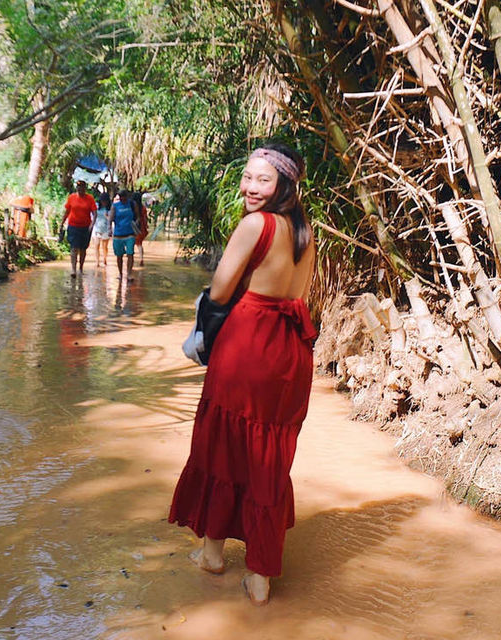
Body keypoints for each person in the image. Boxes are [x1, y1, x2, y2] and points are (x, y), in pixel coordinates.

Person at [168, 142, 317, 606]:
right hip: (291, 352)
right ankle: (259, 578)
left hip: (250, 341)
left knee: (222, 442)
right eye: (248, 177)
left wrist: (204, 334)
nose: (251, 188)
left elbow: (220, 289)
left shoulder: (256, 225)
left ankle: (213, 556)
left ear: (283, 185)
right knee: (268, 456)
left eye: (262, 180)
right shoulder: (306, 230)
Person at [60, 180, 97, 277]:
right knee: (74, 248)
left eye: (82, 187)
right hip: (73, 226)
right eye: (78, 187)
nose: (80, 189)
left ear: (85, 188)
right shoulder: (72, 197)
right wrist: (62, 222)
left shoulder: (90, 199)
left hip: (85, 227)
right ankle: (73, 269)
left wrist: (92, 224)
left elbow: (94, 213)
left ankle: (80, 267)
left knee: (83, 249)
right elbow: (67, 211)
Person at [108, 189, 139, 281]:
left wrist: (136, 223)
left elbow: (138, 216)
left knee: (130, 254)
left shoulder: (132, 204)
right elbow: (111, 218)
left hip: (130, 234)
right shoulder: (115, 206)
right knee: (119, 255)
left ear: (127, 197)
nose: (122, 199)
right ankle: (120, 273)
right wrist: (109, 229)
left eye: (124, 198)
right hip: (118, 234)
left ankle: (129, 273)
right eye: (121, 198)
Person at [92, 192, 112, 267]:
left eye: (105, 201)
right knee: (96, 245)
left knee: (105, 247)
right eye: (103, 201)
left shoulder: (110, 208)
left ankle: (104, 259)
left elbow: (111, 219)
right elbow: (92, 215)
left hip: (106, 229)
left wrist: (107, 217)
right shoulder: (96, 206)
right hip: (97, 228)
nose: (104, 202)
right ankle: (97, 261)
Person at [133, 191, 149, 266]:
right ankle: (141, 258)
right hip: (141, 227)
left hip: (133, 227)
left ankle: (131, 257)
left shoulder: (132, 207)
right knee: (139, 244)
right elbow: (145, 218)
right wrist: (146, 226)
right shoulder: (143, 208)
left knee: (131, 243)